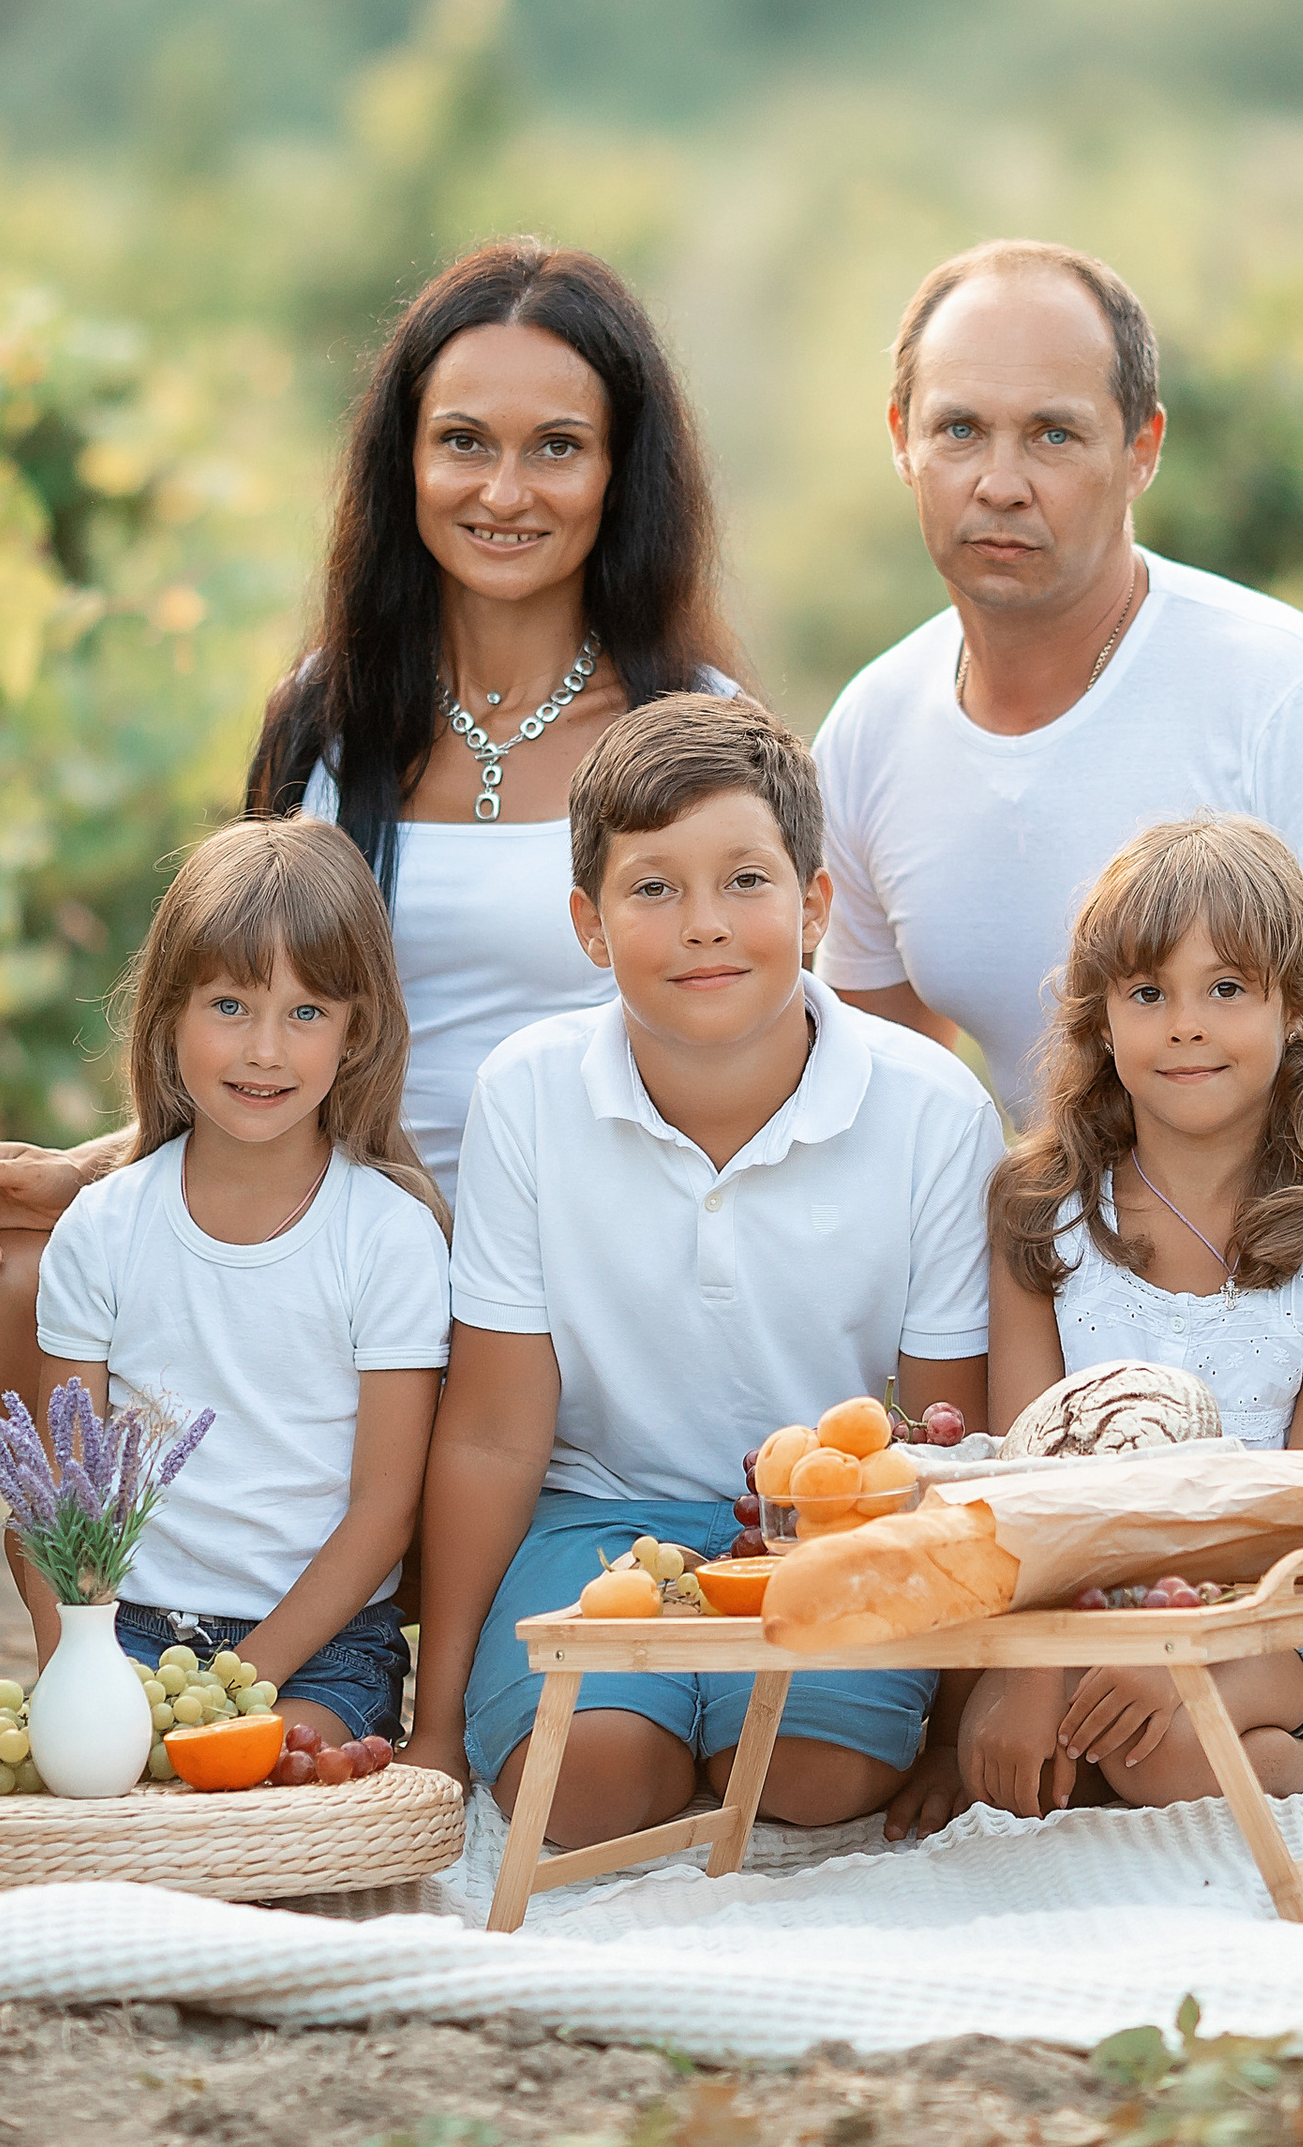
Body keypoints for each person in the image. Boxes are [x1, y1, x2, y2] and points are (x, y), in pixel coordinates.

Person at [0, 240, 738, 1530]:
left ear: (619, 471)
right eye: (464, 441)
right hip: (328, 1232)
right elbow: (255, 1002)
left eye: (557, 447)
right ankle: (124, 1644)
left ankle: (400, 1622)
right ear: (403, 460)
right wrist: (97, 1169)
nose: (505, 490)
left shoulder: (695, 734)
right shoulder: (324, 720)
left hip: (575, 1274)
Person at [814, 238, 1303, 1527]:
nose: (1000, 481)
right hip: (1107, 1275)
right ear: (901, 438)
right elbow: (887, 1085)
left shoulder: (1296, 700)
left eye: (1054, 434)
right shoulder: (874, 730)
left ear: (1142, 447)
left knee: (1163, 1433)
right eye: (960, 429)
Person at [402, 695, 1001, 1847]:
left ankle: (737, 1724)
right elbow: (488, 1432)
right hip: (596, 1516)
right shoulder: (527, 1095)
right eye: (651, 887)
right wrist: (433, 1725)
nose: (702, 925)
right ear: (587, 923)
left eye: (744, 881)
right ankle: (637, 1722)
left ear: (816, 904)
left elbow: (949, 1440)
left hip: (833, 1531)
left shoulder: (929, 1107)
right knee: (582, 1791)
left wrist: (953, 1721)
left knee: (813, 1772)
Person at [964, 813, 1303, 1816]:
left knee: (1160, 1758)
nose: (1184, 1024)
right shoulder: (1041, 1219)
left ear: (1298, 1012)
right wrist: (1030, 1674)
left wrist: (1179, 1658)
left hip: (1273, 1607)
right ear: (1097, 1021)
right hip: (1076, 1604)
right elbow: (1025, 1476)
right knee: (1021, 1774)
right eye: (1145, 992)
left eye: (1225, 988)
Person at [32, 816, 450, 1744]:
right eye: (229, 1006)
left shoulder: (388, 1238)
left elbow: (385, 1512)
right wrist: (81, 1670)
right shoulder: (102, 1229)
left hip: (325, 1648)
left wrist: (237, 1684)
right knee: (118, 1786)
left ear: (355, 1033)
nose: (265, 1050)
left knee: (262, 1778)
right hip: (130, 1631)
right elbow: (63, 1496)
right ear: (169, 1013)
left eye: (306, 1013)